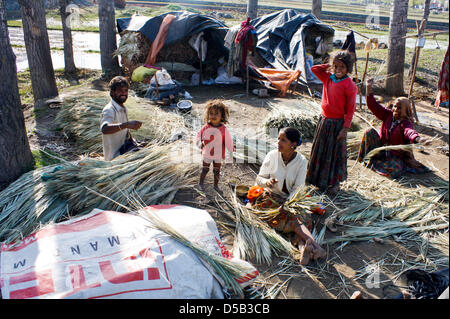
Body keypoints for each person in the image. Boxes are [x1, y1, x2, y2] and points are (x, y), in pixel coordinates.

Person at [255, 127, 326, 265]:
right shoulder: (272, 155)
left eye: (283, 140)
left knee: (294, 215)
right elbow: (259, 178)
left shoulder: (301, 161)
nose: (278, 142)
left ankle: (305, 248)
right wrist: (267, 182)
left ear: (293, 144)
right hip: (272, 198)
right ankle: (314, 247)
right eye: (278, 139)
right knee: (296, 220)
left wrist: (288, 203)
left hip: (292, 200)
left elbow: (298, 188)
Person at [306, 50, 358, 194]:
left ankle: (334, 183)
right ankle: (316, 179)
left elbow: (350, 109)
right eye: (335, 66)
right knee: (321, 151)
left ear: (348, 68)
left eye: (342, 67)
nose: (338, 70)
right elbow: (313, 69)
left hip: (337, 124)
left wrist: (345, 128)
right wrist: (329, 64)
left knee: (335, 154)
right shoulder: (328, 78)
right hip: (325, 121)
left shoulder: (349, 85)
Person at [357, 78, 430, 178]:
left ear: (406, 110)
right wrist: (369, 88)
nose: (395, 109)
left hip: (395, 156)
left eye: (399, 108)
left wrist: (419, 139)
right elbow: (373, 106)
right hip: (381, 151)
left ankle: (377, 164)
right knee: (369, 132)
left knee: (395, 167)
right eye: (394, 106)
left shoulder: (405, 123)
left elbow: (410, 132)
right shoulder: (387, 115)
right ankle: (366, 159)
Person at [100, 76, 142, 161]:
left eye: (125, 90)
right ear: (112, 92)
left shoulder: (122, 108)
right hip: (116, 157)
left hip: (124, 148)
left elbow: (125, 133)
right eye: (120, 90)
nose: (123, 93)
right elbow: (105, 129)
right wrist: (126, 125)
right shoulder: (109, 109)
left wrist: (134, 142)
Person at [196, 99, 234, 191]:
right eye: (211, 113)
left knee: (216, 171)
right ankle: (201, 183)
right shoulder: (206, 127)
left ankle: (216, 186)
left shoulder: (223, 129)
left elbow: (228, 140)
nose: (213, 116)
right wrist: (199, 143)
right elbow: (198, 135)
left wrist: (231, 149)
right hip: (207, 154)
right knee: (205, 169)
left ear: (222, 116)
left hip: (218, 154)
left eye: (216, 113)